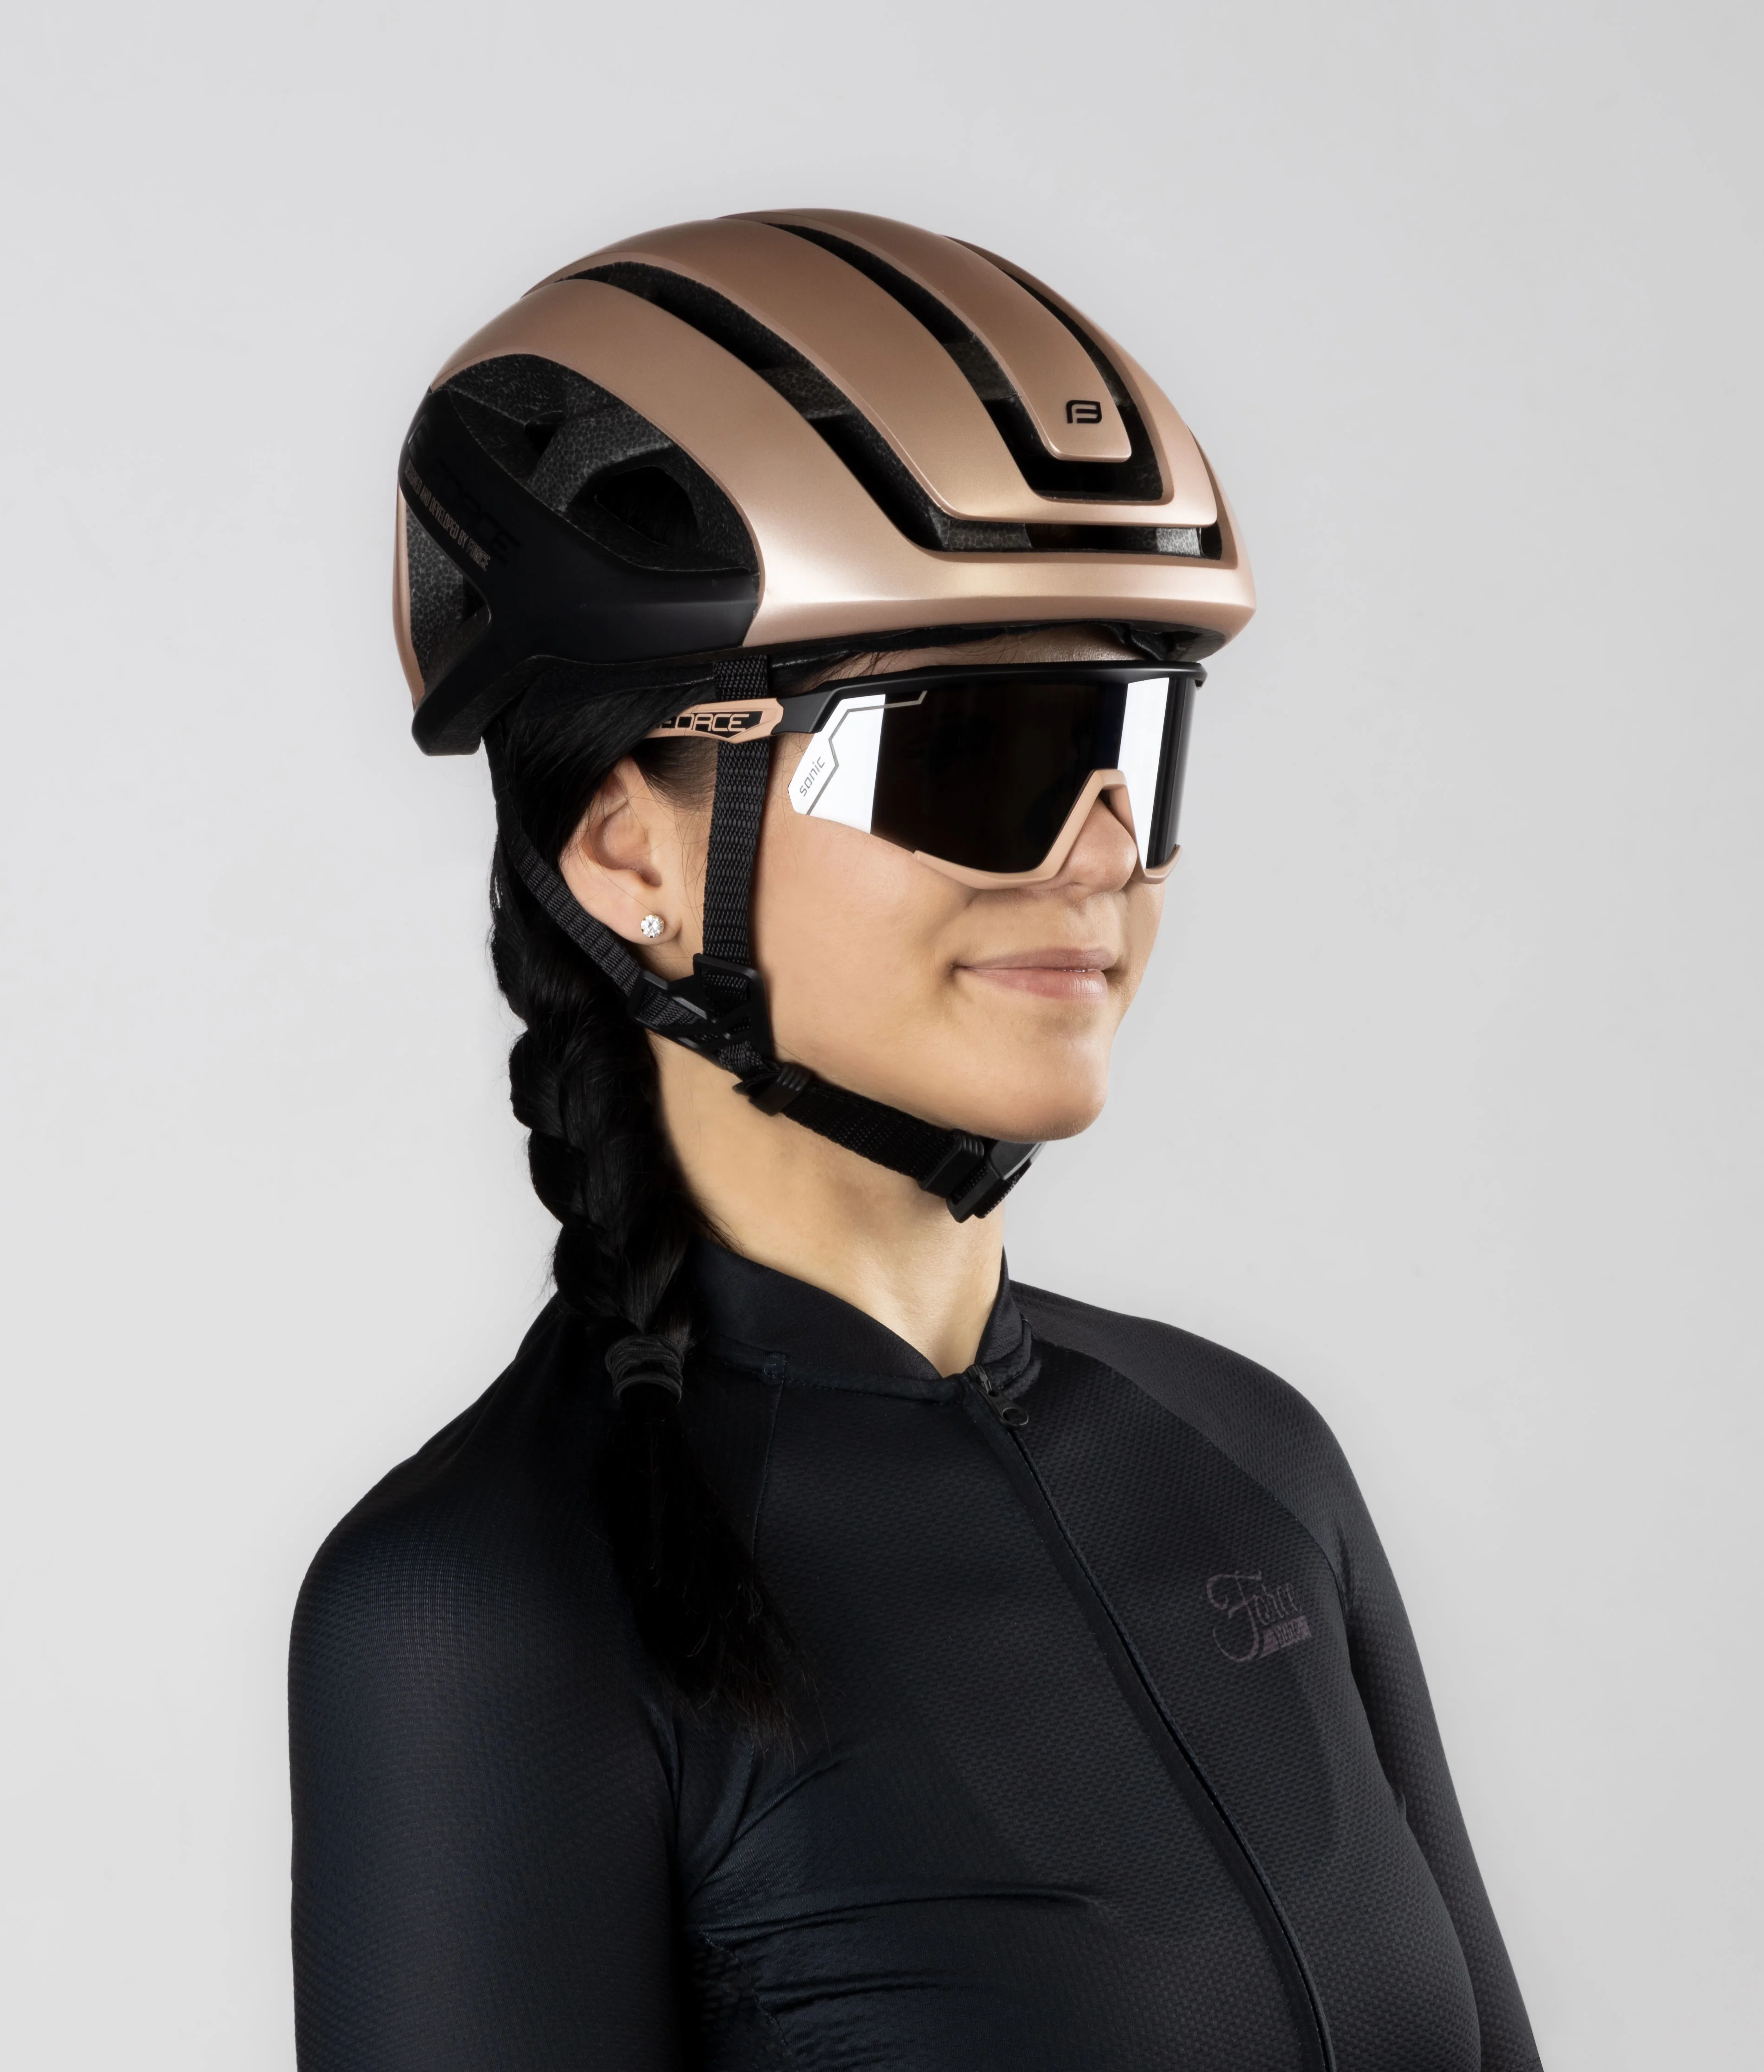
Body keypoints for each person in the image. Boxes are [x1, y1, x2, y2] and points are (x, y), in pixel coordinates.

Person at [289, 210, 1543, 2072]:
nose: (1100, 855)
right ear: (630, 852)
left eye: (1133, 746)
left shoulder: (1250, 1457)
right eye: (974, 754)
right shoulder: (483, 1604)